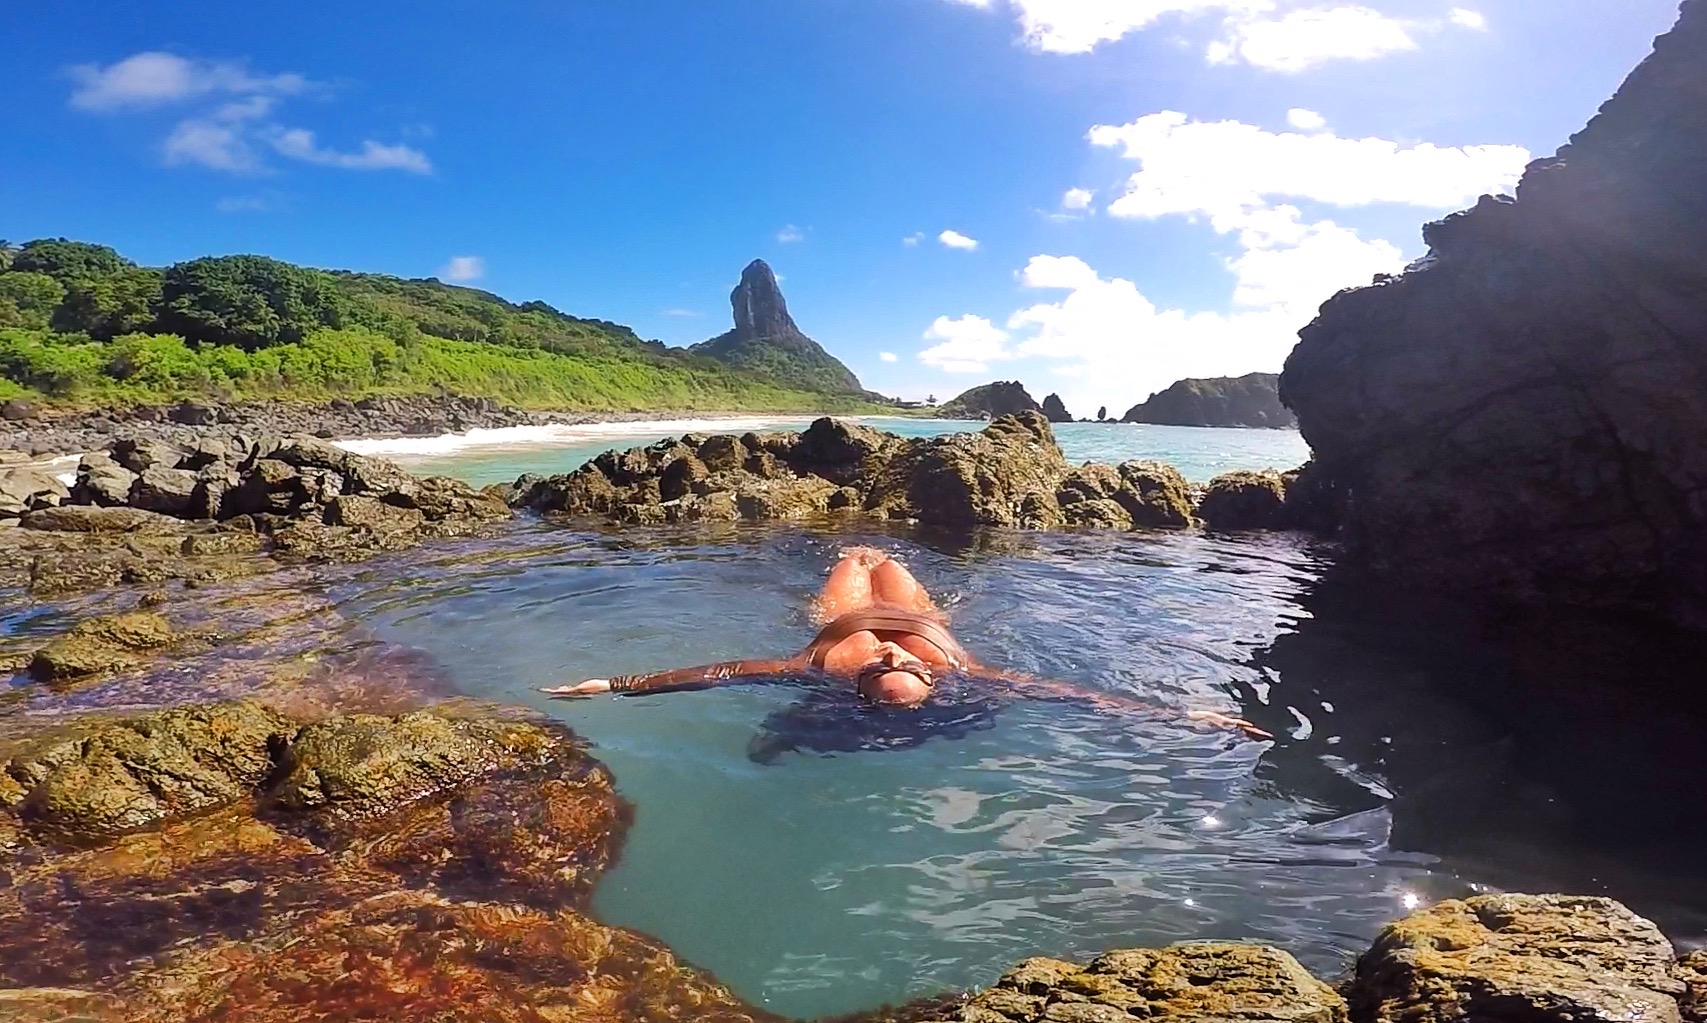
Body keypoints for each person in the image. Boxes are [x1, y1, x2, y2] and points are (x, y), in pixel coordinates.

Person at [543, 547, 1271, 741]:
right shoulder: (968, 667)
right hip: (919, 611)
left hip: (843, 615)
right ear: (933, 682)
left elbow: (719, 670)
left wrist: (613, 684)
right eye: (905, 671)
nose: (893, 658)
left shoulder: (810, 668)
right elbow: (1077, 694)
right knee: (887, 559)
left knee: (854, 564)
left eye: (883, 671)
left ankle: (855, 556)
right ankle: (875, 554)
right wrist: (1185, 717)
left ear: (857, 687)